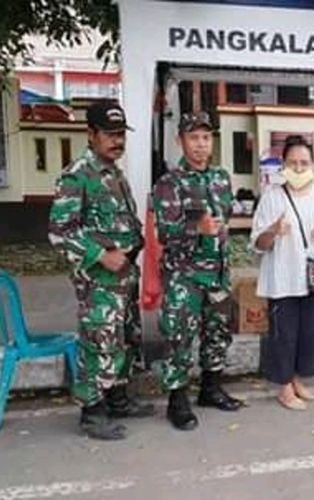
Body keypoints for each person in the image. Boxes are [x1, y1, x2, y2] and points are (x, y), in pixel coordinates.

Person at [49, 101, 155, 441]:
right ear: (91, 134)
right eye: (110, 134)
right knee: (99, 341)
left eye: (121, 134)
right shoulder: (78, 174)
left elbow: (122, 222)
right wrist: (100, 254)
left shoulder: (115, 175)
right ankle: (92, 413)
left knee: (124, 340)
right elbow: (59, 232)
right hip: (98, 281)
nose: (117, 140)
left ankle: (119, 399)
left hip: (124, 278)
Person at [152, 112, 243, 431]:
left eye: (206, 137)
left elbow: (227, 217)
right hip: (184, 276)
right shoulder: (169, 183)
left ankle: (210, 388)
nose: (201, 144)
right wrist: (197, 228)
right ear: (180, 141)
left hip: (217, 273)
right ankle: (177, 401)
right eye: (194, 138)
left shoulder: (221, 178)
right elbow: (164, 233)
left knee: (217, 332)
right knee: (179, 338)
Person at [251, 135, 314, 410]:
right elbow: (257, 244)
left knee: (309, 333)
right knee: (284, 335)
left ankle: (296, 379)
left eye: (304, 162)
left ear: (313, 165)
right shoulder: (272, 197)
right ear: (283, 165)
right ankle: (283, 387)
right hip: (282, 278)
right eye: (292, 162)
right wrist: (273, 231)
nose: (298, 168)